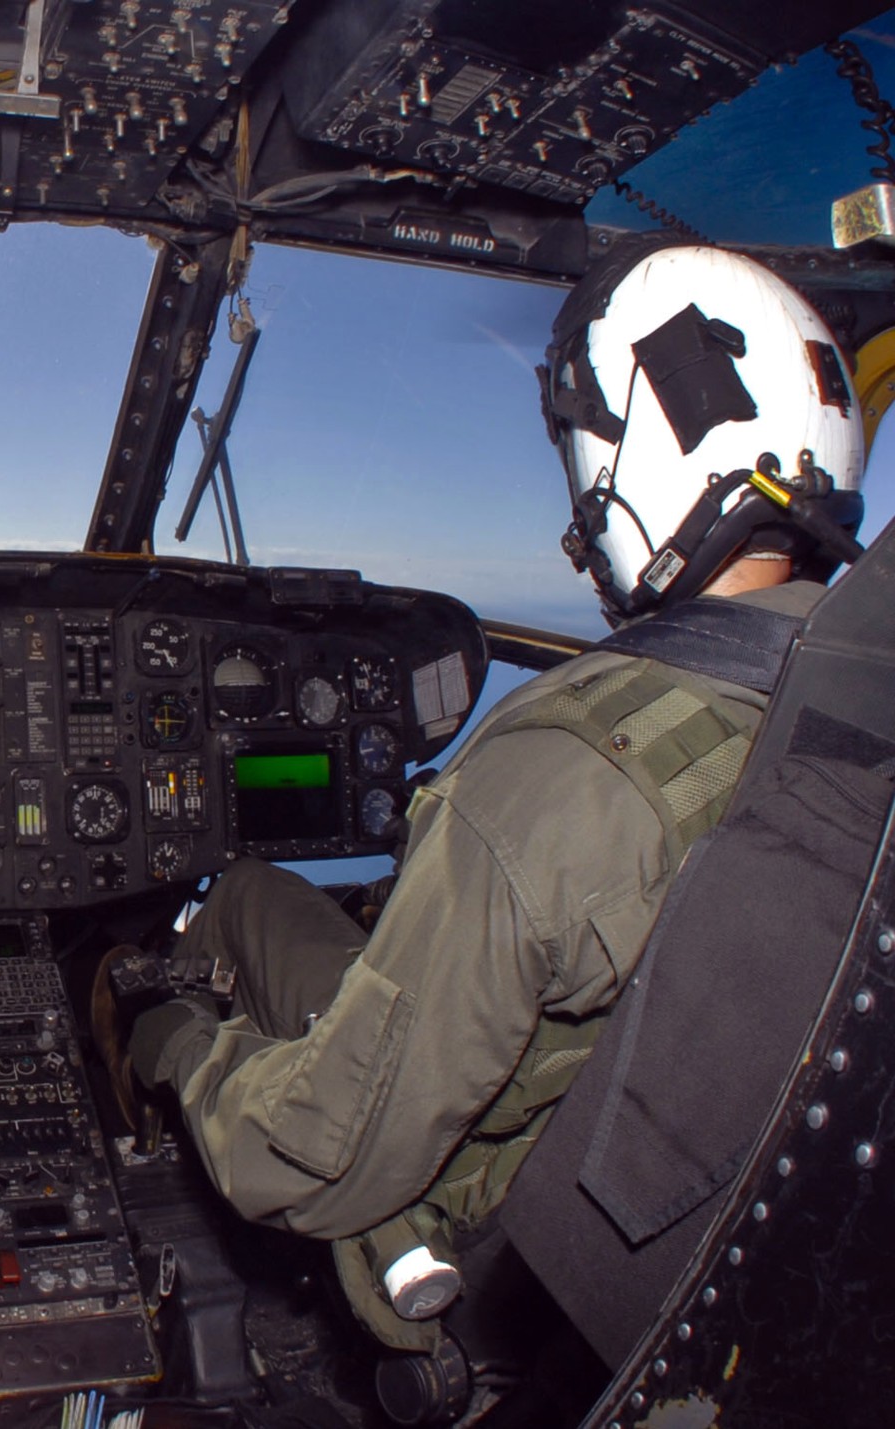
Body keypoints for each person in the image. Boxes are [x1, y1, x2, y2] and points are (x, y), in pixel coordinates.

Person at [100, 240, 869, 1353]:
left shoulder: (560, 774)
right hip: (706, 1169)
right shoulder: (854, 716)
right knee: (254, 892)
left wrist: (175, 1043)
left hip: (516, 1224)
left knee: (204, 950)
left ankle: (127, 1132)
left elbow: (312, 1155)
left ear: (632, 462)